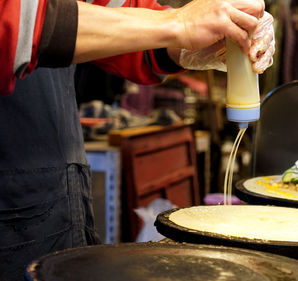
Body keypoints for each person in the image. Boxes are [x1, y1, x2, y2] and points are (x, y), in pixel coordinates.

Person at [0, 0, 275, 280]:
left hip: (55, 195)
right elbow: (15, 18)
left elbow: (112, 10)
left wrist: (180, 44)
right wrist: (177, 24)